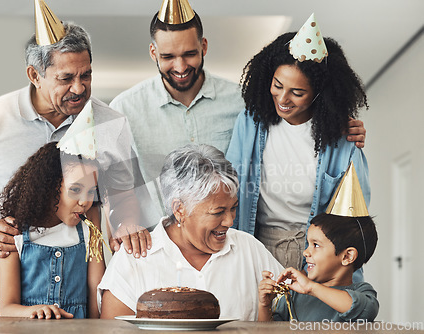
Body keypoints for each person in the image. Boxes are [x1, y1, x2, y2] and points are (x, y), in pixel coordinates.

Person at [0, 12, 149, 318]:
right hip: (0, 289)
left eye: (86, 75)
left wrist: (125, 227)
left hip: (75, 289)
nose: (80, 88)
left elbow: (124, 196)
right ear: (34, 75)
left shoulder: (112, 123)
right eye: (66, 78)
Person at [110, 1, 367, 224]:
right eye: (168, 56)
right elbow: (117, 184)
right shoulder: (124, 108)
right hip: (160, 245)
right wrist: (124, 224)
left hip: (226, 241)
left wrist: (338, 121)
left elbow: (298, 111)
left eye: (189, 54)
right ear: (153, 52)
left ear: (204, 47)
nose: (180, 66)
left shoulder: (245, 101)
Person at [226, 14, 370, 272]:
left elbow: (353, 219)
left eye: (297, 92)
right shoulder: (250, 122)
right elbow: (231, 184)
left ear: (319, 96)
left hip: (317, 253)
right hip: (255, 244)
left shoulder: (342, 137)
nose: (283, 98)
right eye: (277, 85)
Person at [98, 144, 284, 321]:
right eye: (218, 212)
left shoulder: (248, 249)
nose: (230, 221)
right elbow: (113, 329)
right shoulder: (134, 260)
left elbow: (290, 309)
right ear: (179, 209)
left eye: (233, 208)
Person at [0, 142, 105, 319]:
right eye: (76, 189)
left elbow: (96, 289)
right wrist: (33, 311)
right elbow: (6, 308)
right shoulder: (15, 233)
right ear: (48, 189)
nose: (85, 202)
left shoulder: (89, 227)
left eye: (91, 191)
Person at [257, 212, 379, 321]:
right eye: (308, 244)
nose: (305, 252)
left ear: (347, 256)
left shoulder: (362, 291)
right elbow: (269, 331)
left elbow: (364, 311)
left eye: (315, 245)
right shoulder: (294, 295)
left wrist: (311, 287)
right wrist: (265, 306)